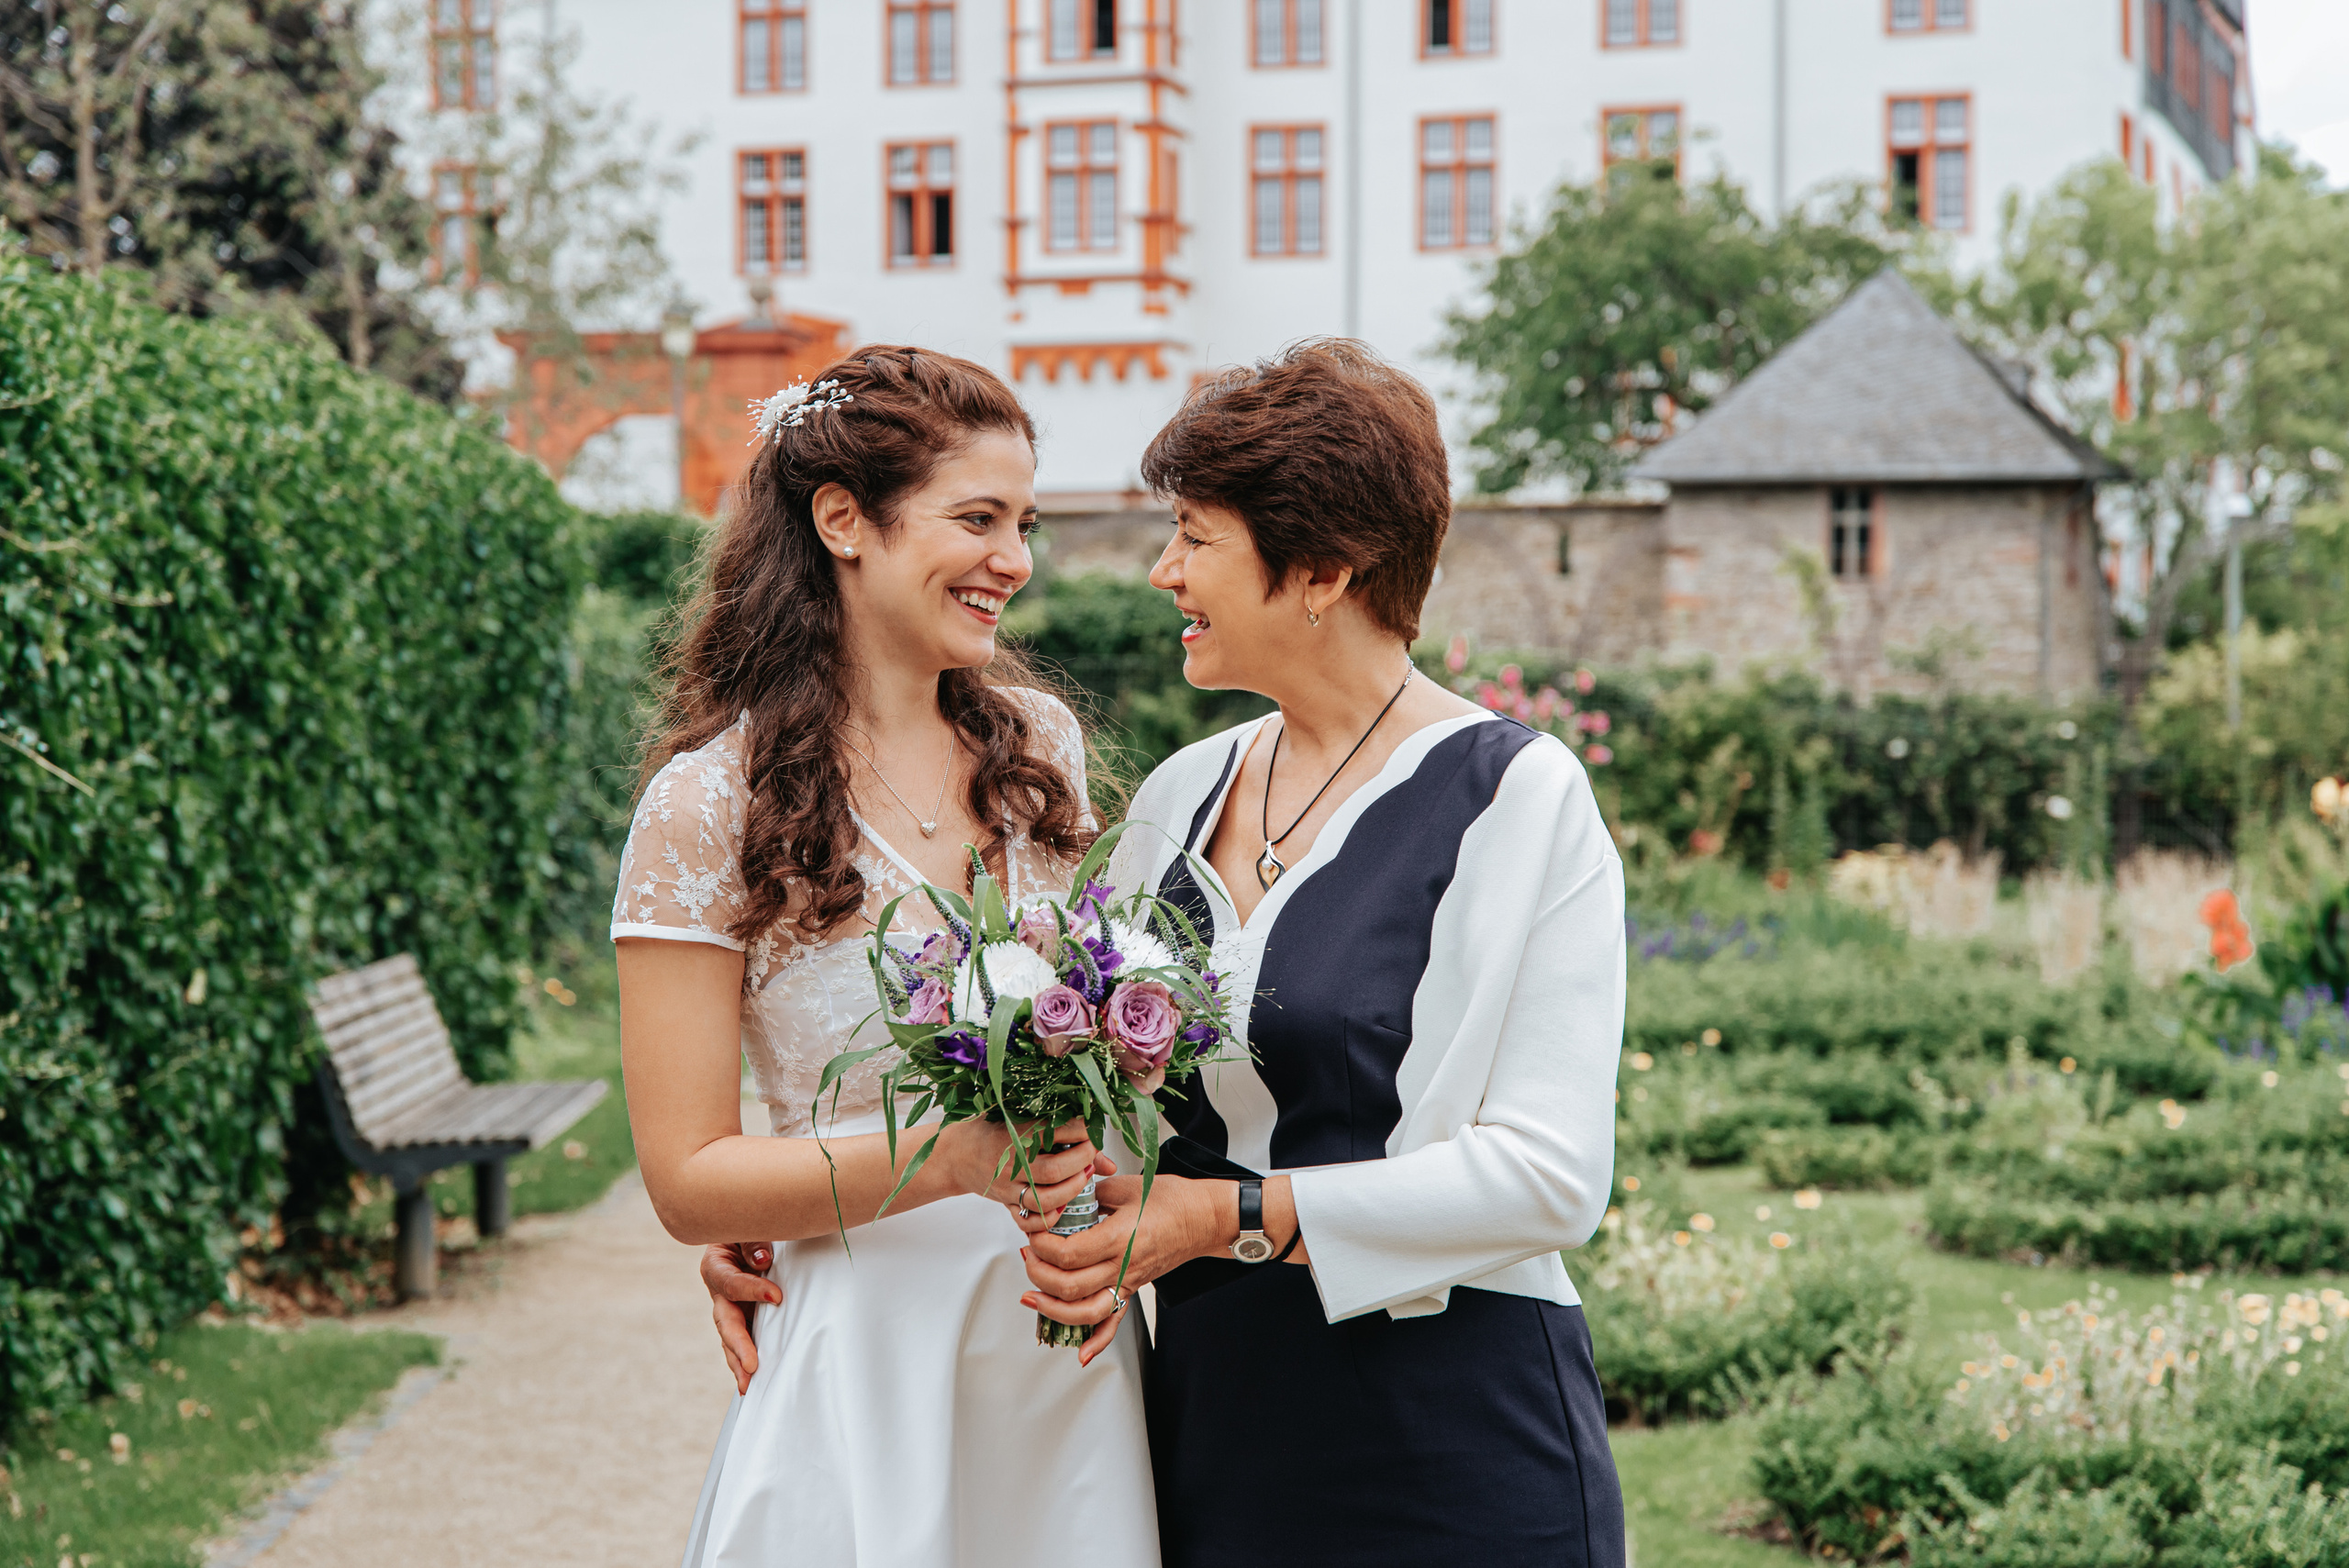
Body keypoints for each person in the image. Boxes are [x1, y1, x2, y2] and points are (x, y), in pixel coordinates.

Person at [1021, 340, 1628, 1566]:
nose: (1162, 570)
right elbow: (1100, 1113)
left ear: (1321, 569)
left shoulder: (1518, 797)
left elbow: (1551, 1178)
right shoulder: (1180, 798)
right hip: (1215, 1427)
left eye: (1196, 536)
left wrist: (1222, 1217)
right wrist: (829, 1223)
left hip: (1450, 1439)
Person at [616, 346, 1159, 1568]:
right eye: (977, 518)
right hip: (862, 1363)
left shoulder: (1042, 752)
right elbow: (688, 1176)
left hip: (1056, 1351)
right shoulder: (709, 807)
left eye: (1024, 523)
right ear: (844, 520)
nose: (1014, 560)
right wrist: (952, 1158)